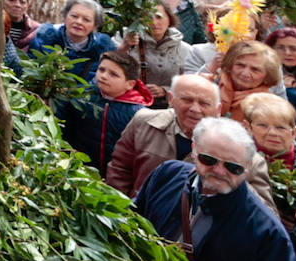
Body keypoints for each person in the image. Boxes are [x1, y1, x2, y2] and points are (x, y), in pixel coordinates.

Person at [133, 117, 296, 261]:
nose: (219, 171)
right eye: (209, 160)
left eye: (233, 167)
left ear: (249, 166)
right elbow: (130, 224)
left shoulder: (267, 233)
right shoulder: (166, 175)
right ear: (194, 149)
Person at [106, 73, 276, 208]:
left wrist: (232, 173)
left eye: (204, 103)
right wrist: (123, 211)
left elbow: (265, 213)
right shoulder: (143, 122)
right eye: (187, 100)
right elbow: (119, 169)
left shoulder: (243, 156)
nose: (195, 109)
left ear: (218, 110)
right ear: (171, 99)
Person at [64, 49, 153, 173]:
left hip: (116, 177)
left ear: (130, 84)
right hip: (78, 171)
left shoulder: (139, 114)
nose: (104, 76)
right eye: (101, 70)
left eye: (113, 74)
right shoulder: (80, 97)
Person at [26, 0, 116, 84]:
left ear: (95, 26)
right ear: (65, 16)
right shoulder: (45, 38)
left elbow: (99, 82)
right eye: (74, 16)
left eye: (86, 20)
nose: (79, 22)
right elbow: (31, 69)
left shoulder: (104, 48)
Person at [120, 0, 188, 107]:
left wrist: (166, 91)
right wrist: (124, 47)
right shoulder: (126, 38)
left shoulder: (185, 49)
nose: (154, 22)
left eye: (159, 17)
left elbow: (190, 83)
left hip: (168, 108)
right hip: (131, 104)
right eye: (148, 18)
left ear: (169, 19)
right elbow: (109, 67)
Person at [211, 39, 284, 121]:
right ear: (230, 65)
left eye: (255, 69)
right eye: (240, 65)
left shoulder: (270, 106)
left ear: (267, 75)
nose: (245, 73)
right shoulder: (210, 85)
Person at [242, 94, 296, 170]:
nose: (272, 133)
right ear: (248, 127)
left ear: (294, 132)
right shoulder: (236, 157)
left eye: (280, 128)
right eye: (263, 125)